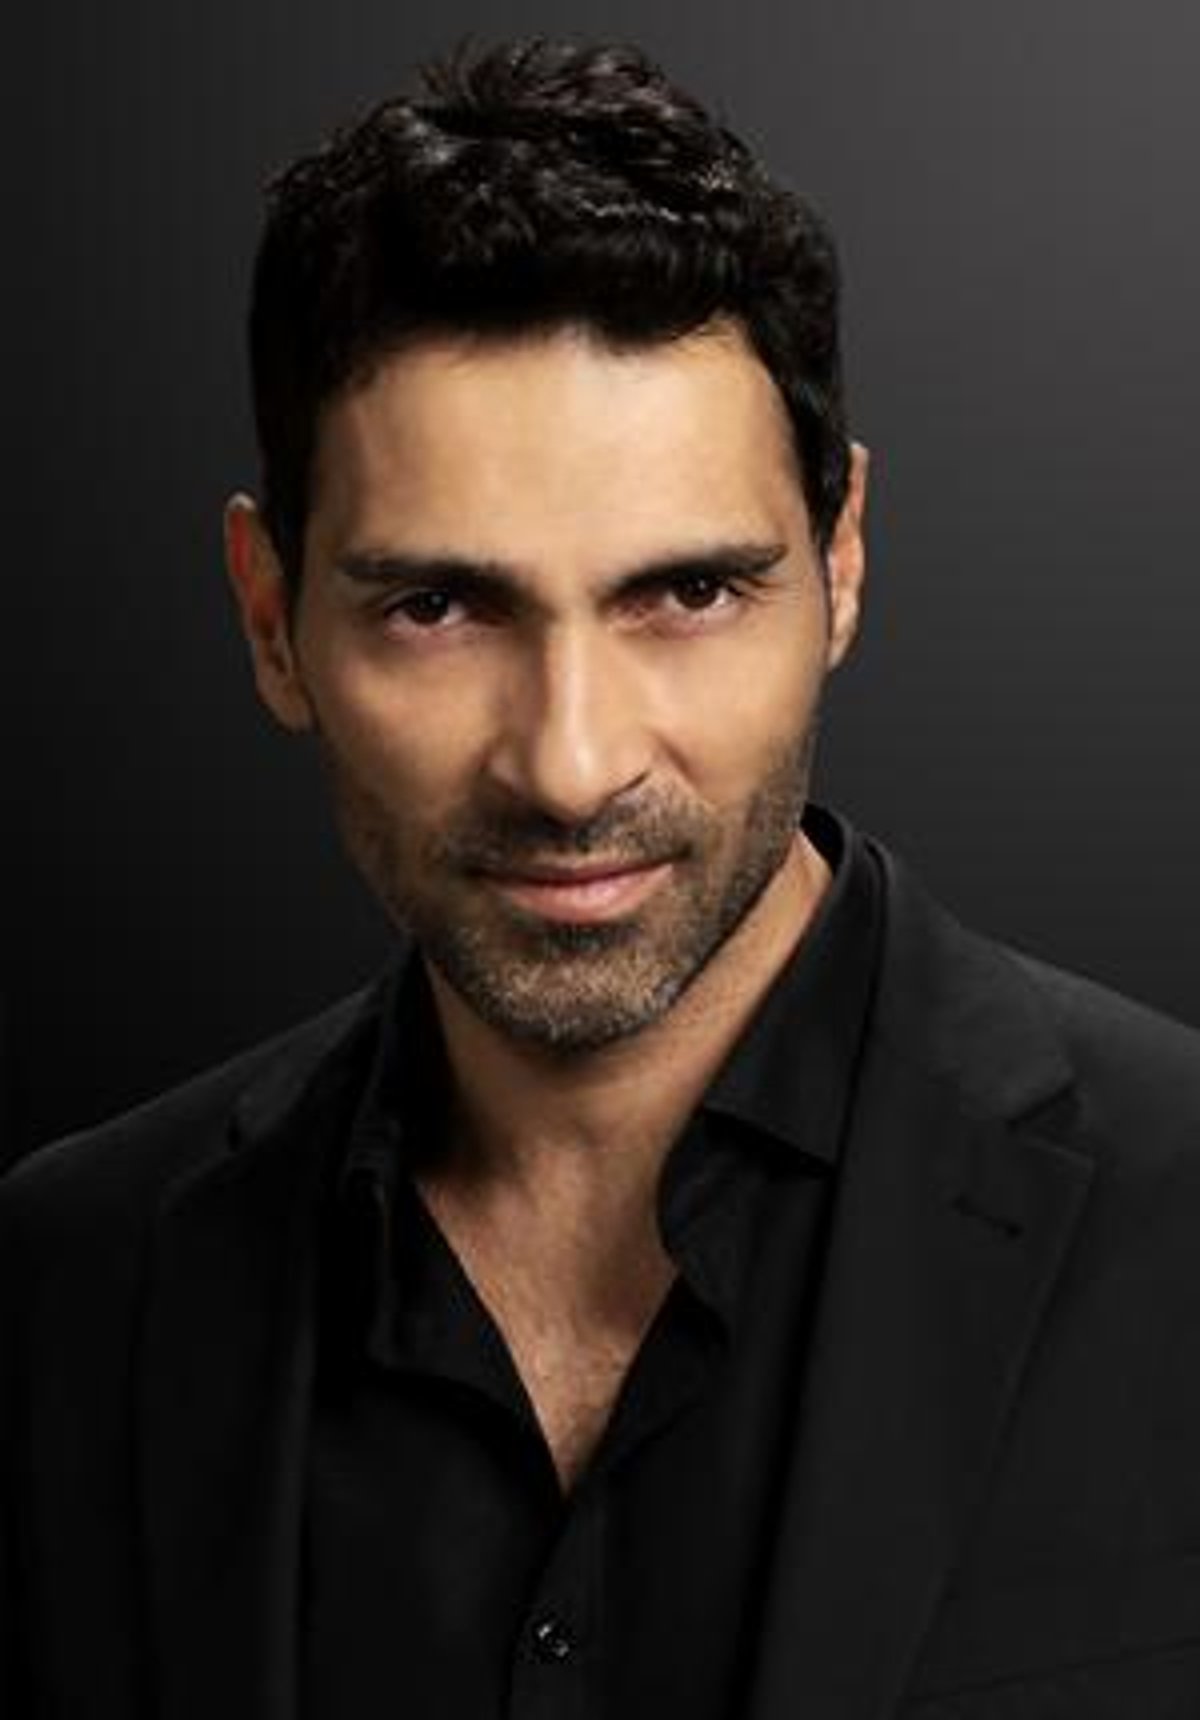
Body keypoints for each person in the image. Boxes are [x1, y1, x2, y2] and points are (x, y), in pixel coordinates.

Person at [3, 35, 1200, 1720]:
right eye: (437, 608)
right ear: (271, 618)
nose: (569, 765)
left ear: (844, 563)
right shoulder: (68, 1285)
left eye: (688, 595)